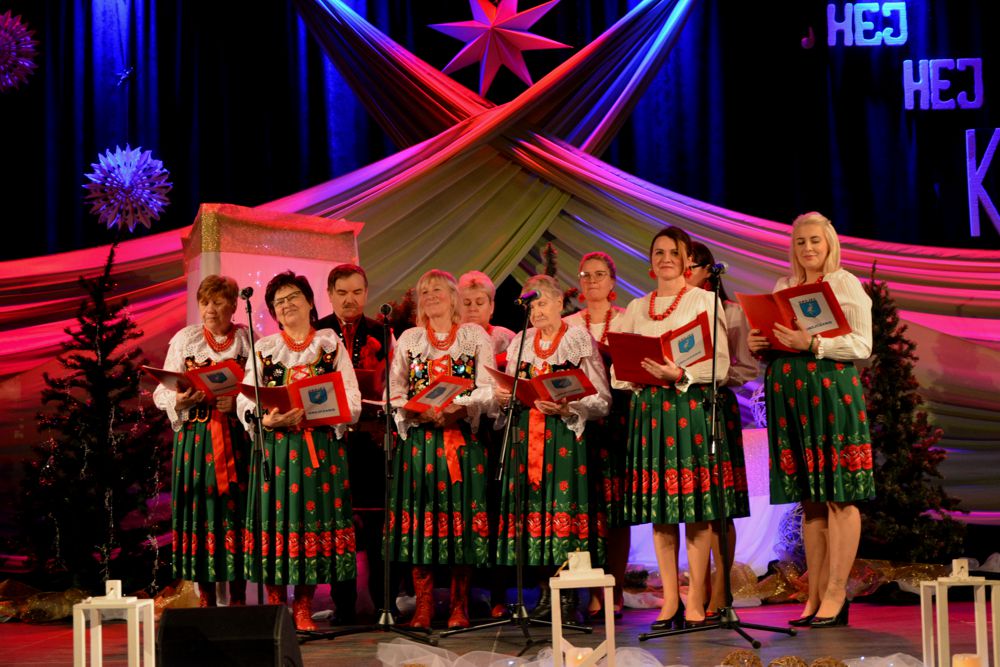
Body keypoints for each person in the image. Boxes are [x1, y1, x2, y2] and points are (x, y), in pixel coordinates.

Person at [748, 212, 874, 628]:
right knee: (811, 501)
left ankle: (837, 592)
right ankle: (816, 593)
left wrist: (813, 343)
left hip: (831, 393)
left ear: (830, 243)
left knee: (840, 495)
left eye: (815, 240)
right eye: (800, 242)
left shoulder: (844, 283)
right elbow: (781, 338)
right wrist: (762, 343)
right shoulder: (783, 287)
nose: (808, 248)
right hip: (793, 397)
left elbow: (862, 344)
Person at [615, 226, 742, 631]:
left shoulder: (704, 300)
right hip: (651, 413)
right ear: (651, 262)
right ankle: (670, 599)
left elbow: (720, 366)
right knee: (662, 512)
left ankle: (697, 598)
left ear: (688, 260)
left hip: (688, 408)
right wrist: (635, 375)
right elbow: (619, 369)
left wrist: (679, 373)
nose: (666, 258)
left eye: (674, 252)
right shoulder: (636, 307)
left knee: (696, 511)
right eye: (659, 252)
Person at [237, 271, 362, 631]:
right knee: (277, 526)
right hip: (276, 452)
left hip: (318, 451)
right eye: (279, 301)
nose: (287, 304)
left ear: (309, 302)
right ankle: (278, 607)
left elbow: (352, 400)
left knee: (310, 526)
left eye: (293, 297)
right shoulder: (263, 349)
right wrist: (266, 418)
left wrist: (319, 410)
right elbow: (245, 400)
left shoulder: (329, 344)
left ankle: (304, 607)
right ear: (274, 312)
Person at [494, 274, 611, 625]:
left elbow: (602, 399)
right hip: (527, 437)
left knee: (565, 515)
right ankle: (546, 593)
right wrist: (505, 395)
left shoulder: (577, 338)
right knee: (536, 517)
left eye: (542, 303)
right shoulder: (520, 342)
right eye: (531, 306)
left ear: (560, 303)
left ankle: (570, 597)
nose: (536, 311)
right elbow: (513, 389)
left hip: (563, 439)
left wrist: (567, 407)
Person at [385, 269, 495, 630]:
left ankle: (460, 606)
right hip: (421, 445)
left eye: (437, 289)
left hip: (461, 443)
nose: (431, 295)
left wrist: (458, 408)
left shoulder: (473, 336)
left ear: (453, 297)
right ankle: (424, 605)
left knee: (460, 524)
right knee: (422, 523)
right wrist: (417, 410)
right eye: (425, 291)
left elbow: (488, 388)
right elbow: (394, 390)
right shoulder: (410, 339)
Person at [153, 275, 251, 607]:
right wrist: (179, 400)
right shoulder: (187, 339)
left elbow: (258, 388)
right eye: (205, 302)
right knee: (202, 513)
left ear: (233, 305)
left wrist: (236, 402)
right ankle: (206, 599)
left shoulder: (247, 340)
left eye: (218, 302)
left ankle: (238, 599)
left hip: (235, 440)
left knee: (235, 514)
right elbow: (161, 392)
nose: (210, 309)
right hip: (196, 442)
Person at [315, 263, 395, 622]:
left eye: (357, 292)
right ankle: (343, 605)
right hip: (333, 442)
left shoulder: (383, 332)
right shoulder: (317, 333)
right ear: (330, 294)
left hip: (373, 441)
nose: (350, 299)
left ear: (366, 293)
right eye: (343, 292)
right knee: (338, 525)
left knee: (378, 528)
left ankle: (385, 603)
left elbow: (396, 383)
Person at [684, 241, 754, 619]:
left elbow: (746, 367)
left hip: (717, 405)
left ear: (709, 271)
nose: (686, 273)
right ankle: (699, 588)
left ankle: (722, 585)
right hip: (682, 410)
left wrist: (718, 376)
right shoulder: (672, 311)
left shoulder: (731, 312)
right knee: (696, 502)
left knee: (720, 503)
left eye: (692, 266)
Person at [563, 252, 629, 620]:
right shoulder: (569, 324)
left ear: (612, 280)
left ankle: (615, 588)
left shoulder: (627, 318)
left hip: (619, 422)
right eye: (585, 275)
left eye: (599, 274)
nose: (591, 281)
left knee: (615, 511)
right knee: (584, 510)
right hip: (579, 424)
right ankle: (589, 590)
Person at [458, 270, 515, 367]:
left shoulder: (506, 339)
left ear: (491, 307)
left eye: (479, 303)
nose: (473, 308)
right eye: (466, 303)